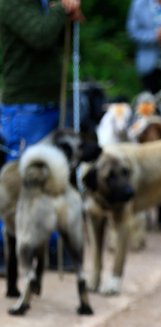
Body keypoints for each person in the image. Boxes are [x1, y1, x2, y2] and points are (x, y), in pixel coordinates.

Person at [0, 0, 84, 274]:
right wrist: (62, 9)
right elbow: (39, 36)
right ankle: (6, 248)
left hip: (48, 102)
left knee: (50, 178)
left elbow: (50, 41)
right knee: (17, 181)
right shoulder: (10, 3)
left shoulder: (40, 3)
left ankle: (49, 246)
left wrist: (68, 17)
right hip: (25, 106)